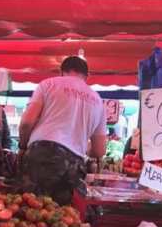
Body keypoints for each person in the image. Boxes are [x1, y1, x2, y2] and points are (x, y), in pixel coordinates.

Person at [18, 56, 106, 204]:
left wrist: (22, 146)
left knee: (33, 212)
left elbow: (27, 122)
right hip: (75, 163)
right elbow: (99, 150)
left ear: (61, 72)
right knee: (63, 217)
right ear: (87, 76)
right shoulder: (97, 100)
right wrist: (81, 145)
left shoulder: (48, 85)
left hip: (43, 153)